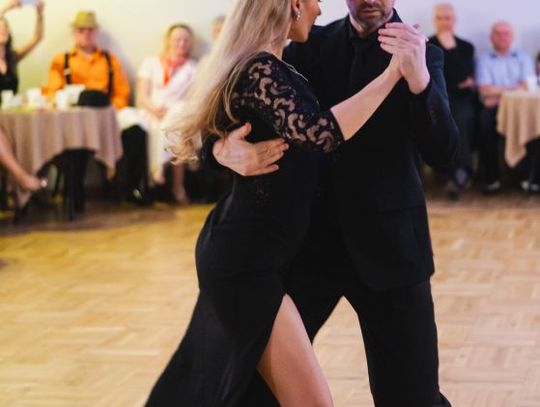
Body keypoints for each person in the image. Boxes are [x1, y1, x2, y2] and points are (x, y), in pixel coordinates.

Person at [145, 0, 405, 405]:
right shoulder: (259, 69)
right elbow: (319, 133)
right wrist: (393, 74)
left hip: (261, 255)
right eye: (315, 0)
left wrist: (221, 148)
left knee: (215, 388)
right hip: (244, 260)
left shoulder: (277, 64)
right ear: (294, 4)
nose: (320, 10)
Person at [204, 0, 458, 405]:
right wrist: (220, 150)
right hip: (307, 246)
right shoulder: (306, 42)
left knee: (412, 396)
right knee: (258, 389)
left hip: (391, 246)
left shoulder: (421, 52)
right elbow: (227, 109)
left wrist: (420, 81)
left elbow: (444, 153)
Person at [45, 11, 150, 208]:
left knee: (136, 130)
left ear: (96, 32)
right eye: (81, 30)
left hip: (110, 113)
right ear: (74, 32)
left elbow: (122, 92)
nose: (86, 34)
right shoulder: (62, 60)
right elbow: (53, 92)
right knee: (76, 137)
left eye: (90, 30)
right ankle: (75, 190)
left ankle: (133, 187)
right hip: (78, 118)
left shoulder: (110, 59)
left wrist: (110, 111)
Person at [136, 23, 197, 204]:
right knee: (175, 129)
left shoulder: (194, 67)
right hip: (151, 111)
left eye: (186, 40)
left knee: (177, 120)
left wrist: (170, 112)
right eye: (178, 39)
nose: (182, 43)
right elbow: (141, 95)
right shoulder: (151, 62)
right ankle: (178, 188)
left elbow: (193, 98)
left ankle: (159, 167)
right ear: (168, 40)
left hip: (177, 113)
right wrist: (154, 109)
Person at [476, 21, 535, 193]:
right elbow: (485, 91)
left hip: (519, 107)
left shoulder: (523, 57)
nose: (502, 37)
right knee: (484, 124)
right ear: (491, 37)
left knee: (532, 124)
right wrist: (515, 88)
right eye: (498, 33)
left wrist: (497, 92)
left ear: (512, 37)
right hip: (493, 108)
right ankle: (492, 179)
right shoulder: (483, 59)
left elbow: (528, 87)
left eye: (506, 33)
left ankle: (527, 178)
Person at [429, 3, 476, 199]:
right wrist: (459, 81)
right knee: (438, 119)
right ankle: (456, 173)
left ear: (454, 20)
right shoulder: (426, 44)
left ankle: (457, 173)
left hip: (461, 100)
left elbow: (465, 77)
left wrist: (450, 49)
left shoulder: (465, 47)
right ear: (434, 21)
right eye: (439, 18)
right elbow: (430, 78)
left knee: (461, 119)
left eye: (447, 18)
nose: (444, 22)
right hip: (435, 98)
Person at [0, 0, 46, 193]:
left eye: (5, 27)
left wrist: (40, 14)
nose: (3, 29)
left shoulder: (12, 58)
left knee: (37, 125)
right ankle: (22, 178)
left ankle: (21, 192)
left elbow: (37, 38)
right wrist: (6, 8)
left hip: (11, 114)